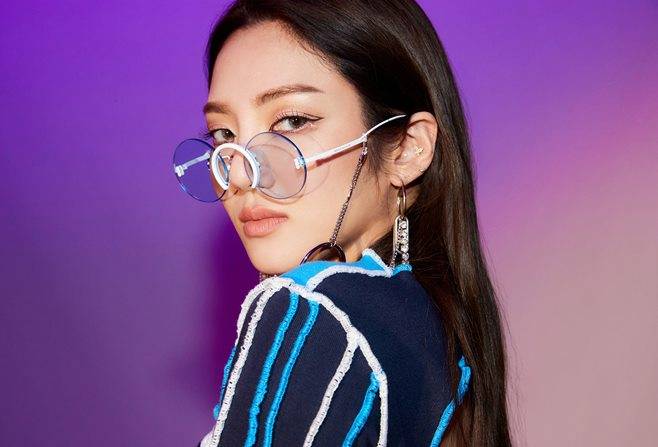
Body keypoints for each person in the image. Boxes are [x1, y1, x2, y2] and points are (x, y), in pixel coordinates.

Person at [173, 1, 512, 445]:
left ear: (407, 149)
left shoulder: (310, 315)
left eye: (292, 121)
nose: (238, 173)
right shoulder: (441, 339)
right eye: (224, 134)